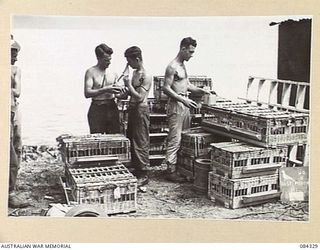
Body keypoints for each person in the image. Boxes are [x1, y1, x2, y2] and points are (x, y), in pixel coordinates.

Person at [163, 37, 210, 182]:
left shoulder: (183, 65)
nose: (191, 54)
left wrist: (202, 91)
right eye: (190, 51)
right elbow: (166, 88)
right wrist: (182, 99)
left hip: (185, 103)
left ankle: (181, 167)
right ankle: (170, 170)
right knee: (175, 137)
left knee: (185, 136)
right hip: (177, 104)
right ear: (182, 48)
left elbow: (187, 85)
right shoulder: (172, 66)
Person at [123, 46, 152, 186]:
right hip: (133, 109)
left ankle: (144, 173)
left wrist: (128, 85)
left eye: (130, 61)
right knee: (132, 138)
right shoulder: (135, 73)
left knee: (141, 141)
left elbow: (140, 96)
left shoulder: (146, 75)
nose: (129, 64)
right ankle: (136, 167)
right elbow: (132, 93)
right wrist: (124, 91)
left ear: (137, 59)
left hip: (141, 109)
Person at [84, 43, 124, 134]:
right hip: (97, 108)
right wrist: (106, 89)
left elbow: (118, 95)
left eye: (110, 60)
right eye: (106, 60)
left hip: (112, 107)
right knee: (97, 138)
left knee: (115, 137)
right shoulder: (91, 72)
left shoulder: (113, 73)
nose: (109, 62)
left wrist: (123, 92)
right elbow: (87, 93)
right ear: (98, 58)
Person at [9, 35, 29, 208]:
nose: (15, 56)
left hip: (13, 110)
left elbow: (17, 91)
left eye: (16, 52)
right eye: (12, 52)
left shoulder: (15, 69)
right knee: (10, 152)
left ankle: (11, 187)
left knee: (17, 146)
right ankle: (9, 191)